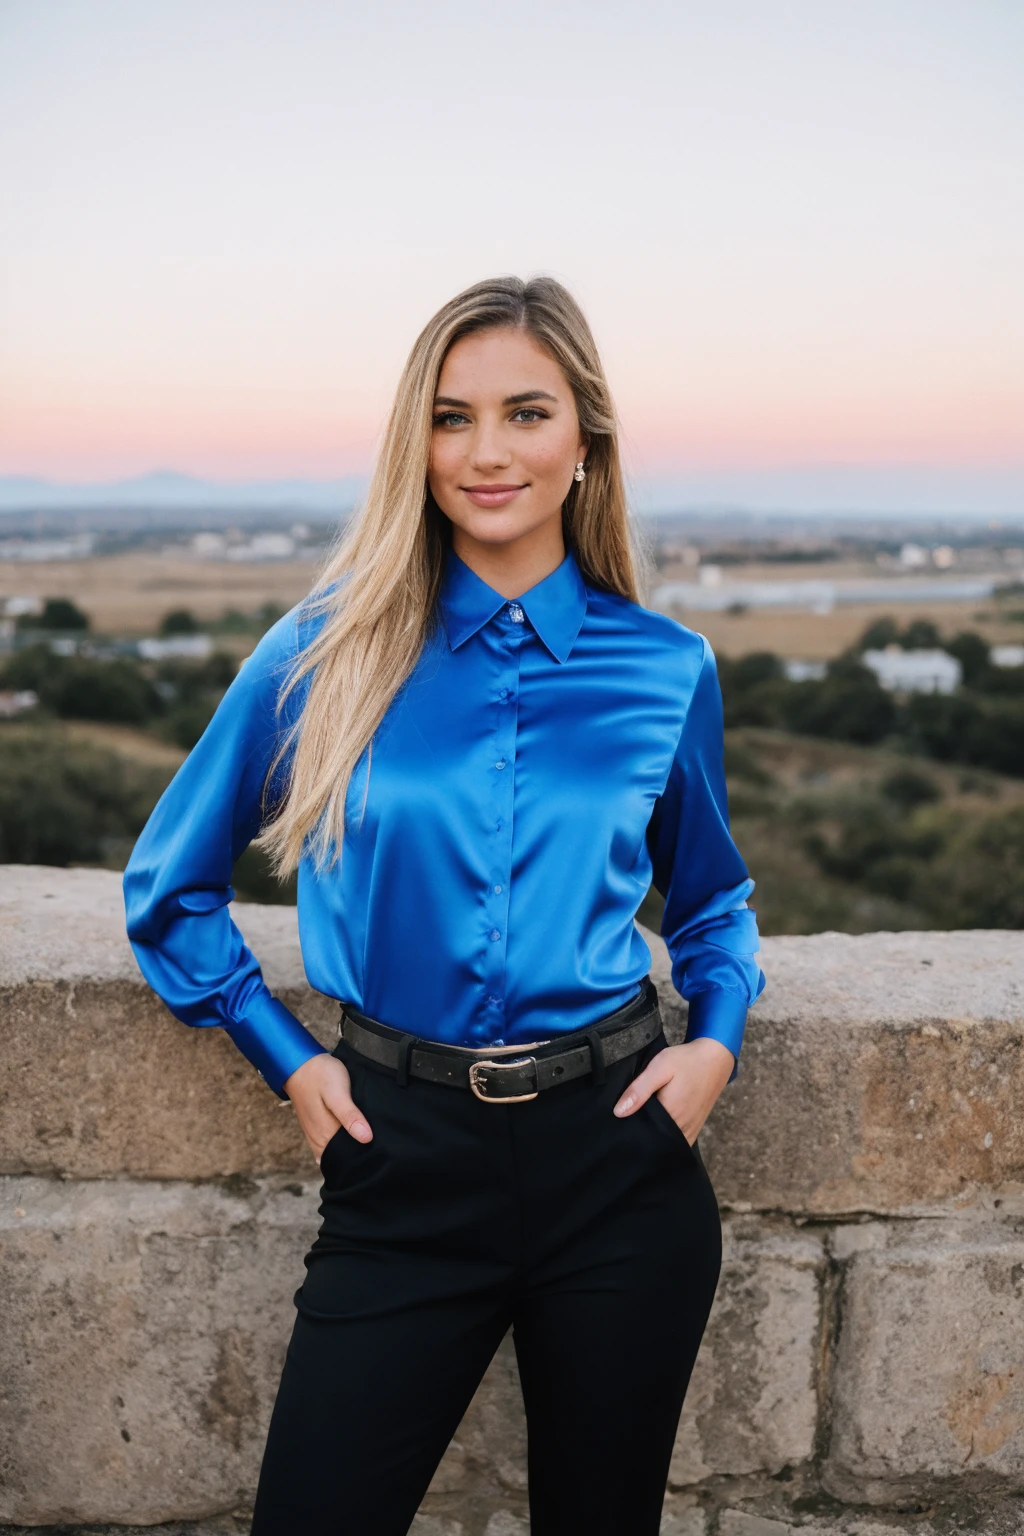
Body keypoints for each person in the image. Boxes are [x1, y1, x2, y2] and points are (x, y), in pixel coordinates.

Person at [123, 275, 765, 1536]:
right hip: (399, 1165)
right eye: (450, 416)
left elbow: (715, 899)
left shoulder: (665, 667)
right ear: (412, 443)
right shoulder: (322, 653)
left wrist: (714, 1047)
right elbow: (167, 888)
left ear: (585, 438)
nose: (485, 453)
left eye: (525, 413)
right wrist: (288, 1061)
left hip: (619, 1165)